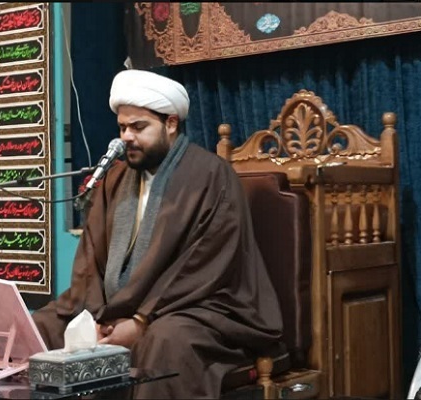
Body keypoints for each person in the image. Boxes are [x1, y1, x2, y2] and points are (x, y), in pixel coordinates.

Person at [31, 69, 283, 399]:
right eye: (122, 128)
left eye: (138, 127)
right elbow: (90, 258)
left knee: (166, 341)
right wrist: (95, 315)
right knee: (43, 326)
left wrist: (141, 320)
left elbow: (205, 264)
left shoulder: (211, 176)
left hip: (199, 308)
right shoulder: (114, 179)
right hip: (120, 309)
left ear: (171, 124)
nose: (127, 137)